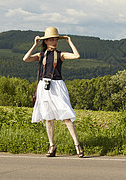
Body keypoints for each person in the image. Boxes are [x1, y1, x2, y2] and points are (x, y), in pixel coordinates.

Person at [23, 27, 84, 158]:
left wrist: (69, 42)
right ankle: (52, 146)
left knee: (66, 115)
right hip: (44, 86)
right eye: (51, 40)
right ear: (46, 41)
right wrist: (35, 45)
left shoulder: (60, 54)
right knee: (48, 117)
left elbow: (76, 55)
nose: (54, 42)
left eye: (56, 39)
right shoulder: (41, 55)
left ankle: (77, 145)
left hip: (57, 85)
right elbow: (26, 59)